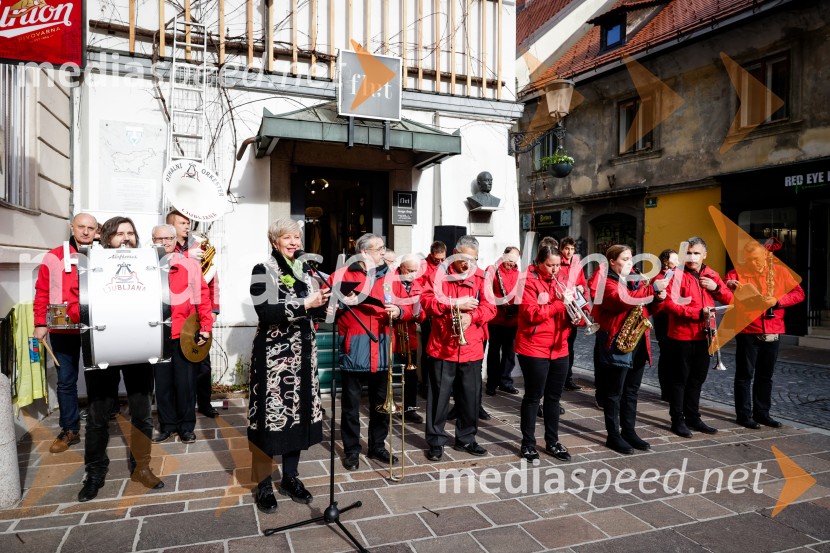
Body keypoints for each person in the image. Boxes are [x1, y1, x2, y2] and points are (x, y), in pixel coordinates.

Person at [76, 216, 164, 501]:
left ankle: (142, 467)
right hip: (104, 346)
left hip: (139, 347)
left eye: (131, 233)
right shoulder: (90, 262)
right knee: (99, 415)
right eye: (119, 233)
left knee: (141, 414)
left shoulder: (148, 263)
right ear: (107, 238)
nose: (126, 238)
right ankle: (96, 472)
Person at [248, 218, 330, 513]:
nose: (294, 242)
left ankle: (290, 478)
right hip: (274, 358)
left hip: (303, 357)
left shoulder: (306, 271)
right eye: (288, 237)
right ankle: (263, 484)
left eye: (297, 237)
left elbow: (313, 310)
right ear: (275, 241)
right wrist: (305, 305)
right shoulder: (263, 270)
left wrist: (322, 303)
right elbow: (266, 311)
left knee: (298, 415)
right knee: (269, 420)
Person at [329, 233, 413, 472]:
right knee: (350, 406)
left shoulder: (391, 275)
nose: (383, 253)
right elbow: (327, 312)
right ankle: (352, 450)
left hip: (383, 345)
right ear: (364, 252)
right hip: (354, 347)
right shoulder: (343, 275)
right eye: (379, 249)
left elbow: (411, 306)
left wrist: (399, 311)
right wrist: (342, 302)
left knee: (381, 404)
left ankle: (377, 445)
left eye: (384, 248)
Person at [420, 235, 496, 461]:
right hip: (443, 347)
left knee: (470, 397)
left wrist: (471, 317)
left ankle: (467, 438)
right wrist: (454, 304)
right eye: (464, 259)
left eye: (474, 260)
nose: (468, 265)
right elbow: (426, 302)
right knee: (439, 399)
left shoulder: (482, 277)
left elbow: (491, 308)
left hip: (471, 346)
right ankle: (435, 441)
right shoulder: (438, 275)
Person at [591, 245, 666, 455]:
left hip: (638, 340)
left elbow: (649, 307)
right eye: (624, 259)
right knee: (614, 393)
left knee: (631, 391)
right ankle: (613, 435)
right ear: (612, 262)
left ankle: (629, 431)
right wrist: (652, 289)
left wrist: (658, 298)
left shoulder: (636, 278)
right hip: (617, 341)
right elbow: (620, 300)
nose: (630, 262)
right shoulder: (607, 281)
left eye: (631, 258)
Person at [33, 213, 97, 453]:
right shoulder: (54, 256)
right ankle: (69, 428)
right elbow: (42, 290)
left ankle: (99, 421)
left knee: (97, 378)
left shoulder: (102, 255)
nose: (86, 231)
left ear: (96, 231)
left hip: (94, 326)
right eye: (81, 226)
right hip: (62, 326)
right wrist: (40, 323)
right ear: (72, 227)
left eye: (91, 228)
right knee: (66, 380)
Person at [725, 240, 804, 429]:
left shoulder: (780, 272)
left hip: (772, 328)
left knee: (765, 375)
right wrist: (728, 285)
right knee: (745, 375)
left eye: (757, 259)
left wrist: (778, 300)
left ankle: (762, 413)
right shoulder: (737, 272)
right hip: (747, 329)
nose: (754, 263)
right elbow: (723, 290)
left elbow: (799, 293)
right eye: (750, 260)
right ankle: (744, 415)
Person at [662, 236, 733, 438]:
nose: (692, 257)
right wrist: (696, 313)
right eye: (688, 253)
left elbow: (730, 298)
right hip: (681, 335)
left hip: (705, 334)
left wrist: (716, 288)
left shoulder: (712, 274)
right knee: (679, 380)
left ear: (704, 255)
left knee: (697, 379)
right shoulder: (675, 274)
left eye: (696, 253)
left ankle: (693, 416)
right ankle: (677, 420)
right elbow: (669, 304)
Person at [151, 224, 213, 445]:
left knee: (186, 384)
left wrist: (205, 328)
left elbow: (202, 297)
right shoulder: (146, 266)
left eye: (169, 238)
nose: (165, 242)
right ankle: (167, 426)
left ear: (175, 240)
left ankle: (187, 427)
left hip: (184, 333)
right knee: (163, 384)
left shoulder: (189, 265)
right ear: (152, 240)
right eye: (159, 239)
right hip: (156, 334)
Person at [515, 246, 573, 463]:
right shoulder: (526, 281)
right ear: (539, 262)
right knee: (532, 397)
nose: (555, 269)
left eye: (558, 265)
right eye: (550, 265)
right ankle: (528, 443)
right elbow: (532, 314)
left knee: (554, 398)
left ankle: (552, 441)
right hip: (534, 347)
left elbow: (570, 312)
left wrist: (576, 313)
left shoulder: (564, 279)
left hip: (560, 347)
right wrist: (559, 304)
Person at [167, 210, 221, 418]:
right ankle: (177, 409)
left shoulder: (199, 246)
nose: (187, 226)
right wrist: (186, 257)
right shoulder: (166, 246)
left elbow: (213, 278)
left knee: (202, 362)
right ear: (171, 224)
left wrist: (214, 309)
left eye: (188, 222)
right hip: (176, 313)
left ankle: (205, 402)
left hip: (198, 310)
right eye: (182, 223)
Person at [485, 246, 521, 396]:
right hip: (496, 319)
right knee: (494, 352)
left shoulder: (520, 275)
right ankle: (492, 383)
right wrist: (499, 302)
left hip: (513, 320)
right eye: (509, 260)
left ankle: (505, 381)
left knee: (509, 354)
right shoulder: (492, 270)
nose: (511, 263)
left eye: (514, 261)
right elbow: (485, 292)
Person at [394, 255, 426, 423]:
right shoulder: (391, 281)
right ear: (401, 267)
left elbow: (423, 310)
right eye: (410, 270)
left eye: (416, 271)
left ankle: (410, 409)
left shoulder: (418, 285)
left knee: (411, 375)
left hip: (409, 333)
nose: (413, 275)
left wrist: (419, 315)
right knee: (386, 373)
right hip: (391, 333)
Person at [417, 241, 447, 398]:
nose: (440, 262)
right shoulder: (423, 267)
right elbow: (420, 290)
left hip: (443, 313)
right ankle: (426, 386)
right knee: (428, 352)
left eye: (443, 259)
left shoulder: (447, 266)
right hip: (428, 313)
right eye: (437, 260)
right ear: (431, 255)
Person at [559, 237, 588, 392]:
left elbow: (582, 283)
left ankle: (568, 378)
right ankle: (560, 376)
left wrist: (582, 290)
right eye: (566, 249)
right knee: (562, 346)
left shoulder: (577, 264)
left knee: (570, 347)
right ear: (561, 249)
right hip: (561, 308)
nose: (569, 252)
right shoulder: (558, 264)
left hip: (574, 309)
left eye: (572, 249)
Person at [653, 249, 679, 401]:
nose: (678, 262)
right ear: (666, 261)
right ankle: (666, 390)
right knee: (667, 355)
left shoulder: (678, 275)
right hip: (664, 318)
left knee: (674, 356)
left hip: (674, 317)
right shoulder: (660, 277)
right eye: (674, 259)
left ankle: (672, 389)